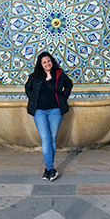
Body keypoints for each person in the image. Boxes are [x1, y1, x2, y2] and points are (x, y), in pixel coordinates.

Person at [25, 51, 73, 181]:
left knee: (52, 138)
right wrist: (33, 99)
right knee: (45, 138)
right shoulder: (35, 76)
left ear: (52, 61)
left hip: (55, 111)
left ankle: (49, 169)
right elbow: (27, 88)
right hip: (39, 111)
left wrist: (63, 98)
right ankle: (50, 168)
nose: (47, 64)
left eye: (49, 61)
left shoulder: (59, 74)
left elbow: (69, 85)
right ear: (41, 64)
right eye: (44, 62)